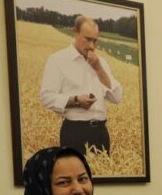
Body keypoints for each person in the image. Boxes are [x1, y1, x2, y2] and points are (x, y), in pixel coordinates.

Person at [39, 15, 123, 155]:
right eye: (87, 39)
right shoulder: (57, 60)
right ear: (75, 32)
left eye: (95, 40)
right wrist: (76, 100)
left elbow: (117, 97)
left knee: (104, 169)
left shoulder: (101, 62)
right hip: (74, 132)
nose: (92, 46)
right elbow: (46, 97)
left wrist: (99, 69)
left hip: (101, 133)